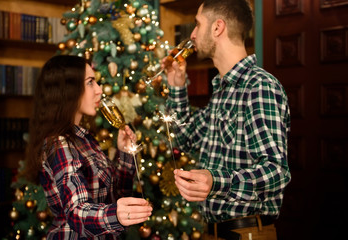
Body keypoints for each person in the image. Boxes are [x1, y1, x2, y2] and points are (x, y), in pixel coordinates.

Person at [163, 0, 291, 239]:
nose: (191, 34)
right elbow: (184, 139)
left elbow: (276, 172)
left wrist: (216, 181)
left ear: (217, 28)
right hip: (214, 232)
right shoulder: (222, 90)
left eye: (198, 24)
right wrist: (176, 87)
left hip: (247, 233)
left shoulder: (259, 87)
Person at [23, 55, 152, 239]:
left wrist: (124, 154)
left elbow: (114, 198)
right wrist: (117, 215)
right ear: (68, 90)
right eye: (90, 82)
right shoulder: (59, 144)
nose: (99, 90)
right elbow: (77, 213)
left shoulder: (85, 139)